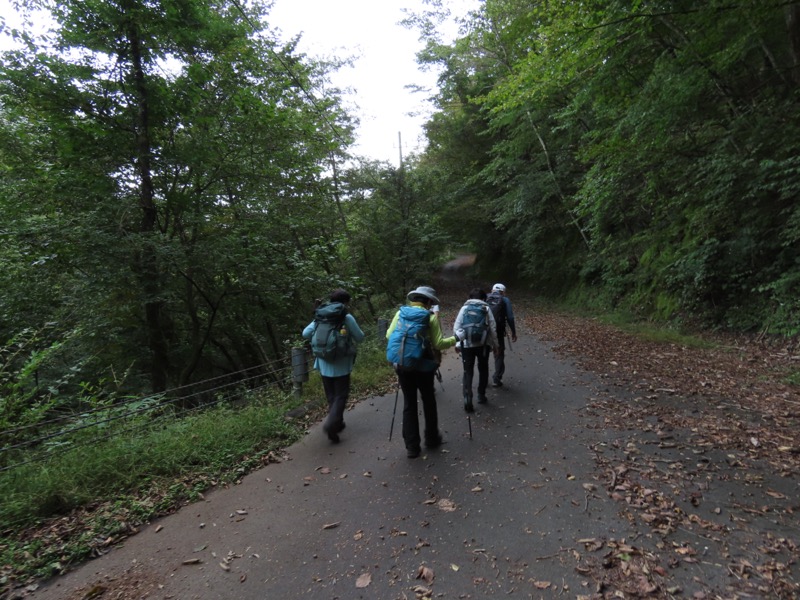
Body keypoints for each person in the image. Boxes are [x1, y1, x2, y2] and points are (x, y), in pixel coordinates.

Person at [386, 286, 457, 458]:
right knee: (428, 401)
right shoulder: (430, 317)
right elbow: (439, 343)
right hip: (423, 367)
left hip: (403, 365)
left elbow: (389, 335)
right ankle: (431, 438)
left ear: (414, 299)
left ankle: (412, 447)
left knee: (409, 404)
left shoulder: (400, 314)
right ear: (429, 302)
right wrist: (457, 338)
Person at [302, 289, 365, 443]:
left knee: (332, 397)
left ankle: (335, 425)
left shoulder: (321, 314)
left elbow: (305, 333)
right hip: (341, 363)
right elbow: (360, 337)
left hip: (323, 363)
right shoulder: (346, 317)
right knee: (341, 395)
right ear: (346, 302)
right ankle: (332, 424)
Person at [453, 288, 498, 412]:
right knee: (483, 369)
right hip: (483, 345)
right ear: (483, 298)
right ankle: (481, 395)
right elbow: (493, 328)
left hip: (467, 345)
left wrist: (457, 344)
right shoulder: (486, 308)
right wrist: (495, 346)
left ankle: (467, 397)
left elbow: (457, 327)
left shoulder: (464, 309)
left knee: (468, 371)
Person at [487, 283, 517, 387]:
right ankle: (497, 378)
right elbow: (510, 317)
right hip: (498, 330)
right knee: (499, 354)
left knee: (484, 354)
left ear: (492, 290)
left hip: (485, 330)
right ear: (503, 292)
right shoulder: (505, 300)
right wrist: (513, 332)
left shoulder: (485, 297)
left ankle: (484, 379)